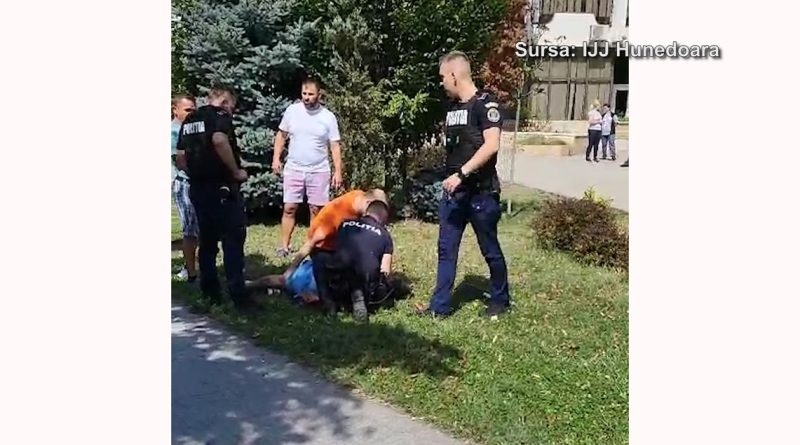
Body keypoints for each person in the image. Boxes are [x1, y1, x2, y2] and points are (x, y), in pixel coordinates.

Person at [415, 51, 511, 319]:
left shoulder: (485, 104)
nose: (442, 82)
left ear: (454, 75)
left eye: (443, 77)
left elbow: (491, 145)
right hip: (455, 194)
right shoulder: (453, 109)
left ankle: (500, 300)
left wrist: (461, 174)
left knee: (489, 249)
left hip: (481, 193)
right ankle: (440, 307)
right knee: (446, 249)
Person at [175, 86, 253, 309]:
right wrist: (235, 171)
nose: (231, 112)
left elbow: (180, 158)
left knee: (207, 243)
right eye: (232, 107)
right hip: (222, 189)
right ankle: (238, 296)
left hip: (198, 189)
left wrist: (197, 173)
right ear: (225, 102)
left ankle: (211, 294)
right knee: (232, 241)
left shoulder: (190, 120)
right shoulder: (219, 116)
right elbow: (219, 140)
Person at [284, 188, 388, 315]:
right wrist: (291, 269)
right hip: (326, 253)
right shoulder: (338, 215)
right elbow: (311, 242)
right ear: (368, 204)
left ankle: (335, 300)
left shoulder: (360, 198)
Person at [272, 78, 343, 258]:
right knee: (289, 207)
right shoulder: (292, 111)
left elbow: (335, 145)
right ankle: (284, 246)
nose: (306, 97)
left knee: (316, 210)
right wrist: (276, 159)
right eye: (304, 93)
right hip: (294, 168)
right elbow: (281, 135)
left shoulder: (327, 117)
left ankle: (313, 246)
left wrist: (338, 171)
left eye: (310, 94)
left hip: (319, 170)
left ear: (319, 95)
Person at [327, 200, 394, 323]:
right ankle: (358, 296)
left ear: (366, 212)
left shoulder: (345, 224)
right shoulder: (385, 235)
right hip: (365, 280)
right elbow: (385, 270)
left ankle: (332, 301)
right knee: (381, 286)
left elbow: (337, 247)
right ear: (383, 217)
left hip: (337, 274)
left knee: (328, 264)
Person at [171, 93, 198, 282]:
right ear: (175, 110)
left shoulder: (192, 129)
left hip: (197, 182)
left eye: (194, 110)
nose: (191, 113)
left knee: (200, 228)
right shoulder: (172, 132)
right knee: (190, 229)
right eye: (187, 110)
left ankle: (194, 265)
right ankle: (190, 272)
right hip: (184, 183)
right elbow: (181, 161)